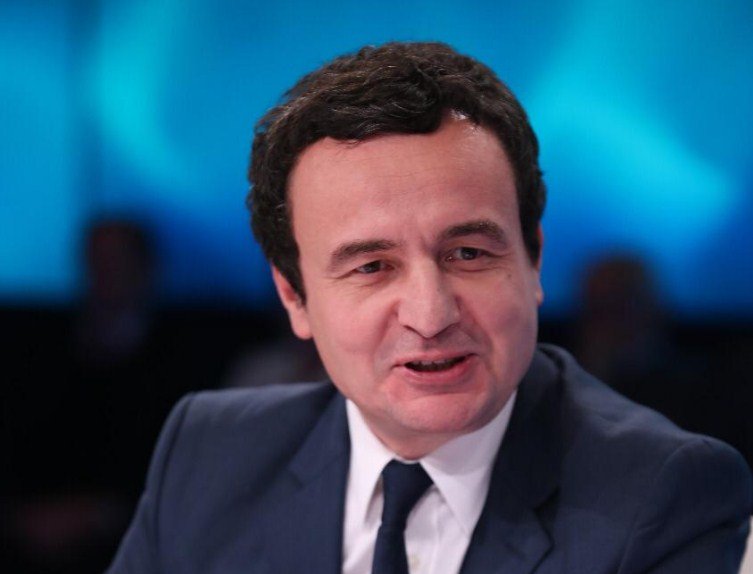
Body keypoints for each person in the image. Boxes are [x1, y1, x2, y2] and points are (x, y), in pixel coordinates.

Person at [107, 42, 752, 573]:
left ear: (533, 260)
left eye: (468, 253)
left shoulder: (667, 494)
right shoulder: (211, 452)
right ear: (294, 297)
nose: (430, 313)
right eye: (371, 267)